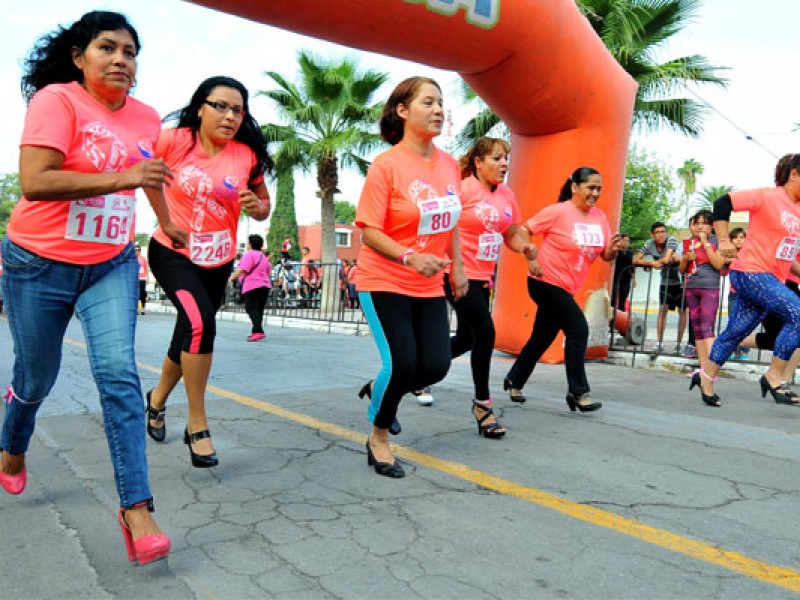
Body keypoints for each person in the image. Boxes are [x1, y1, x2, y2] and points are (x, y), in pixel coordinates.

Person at [0, 10, 182, 564]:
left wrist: (167, 220)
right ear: (79, 57)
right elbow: (35, 181)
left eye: (131, 51)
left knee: (119, 374)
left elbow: (147, 173)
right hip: (38, 262)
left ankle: (136, 508)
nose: (122, 59)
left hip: (110, 262)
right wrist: (123, 177)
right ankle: (12, 442)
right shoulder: (56, 101)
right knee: (37, 375)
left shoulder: (148, 117)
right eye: (108, 48)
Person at [145, 76, 273, 466]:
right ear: (201, 106)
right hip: (173, 251)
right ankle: (197, 424)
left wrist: (257, 206)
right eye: (220, 106)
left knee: (188, 332)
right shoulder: (174, 140)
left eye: (238, 110)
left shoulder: (245, 155)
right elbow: (147, 176)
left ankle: (156, 400)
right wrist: (165, 220)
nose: (229, 116)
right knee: (201, 326)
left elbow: (264, 205)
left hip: (217, 261)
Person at [355, 76, 468, 478]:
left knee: (435, 366)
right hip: (383, 278)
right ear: (402, 111)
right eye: (428, 102)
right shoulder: (387, 165)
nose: (439, 110)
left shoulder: (450, 164)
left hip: (428, 283)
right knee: (401, 363)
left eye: (441, 103)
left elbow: (450, 220)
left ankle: (377, 388)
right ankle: (379, 436)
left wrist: (457, 265)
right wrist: (408, 256)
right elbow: (368, 230)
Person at [504, 167, 624, 412]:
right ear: (574, 187)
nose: (595, 193)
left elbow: (605, 254)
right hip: (544, 281)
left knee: (542, 338)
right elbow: (524, 230)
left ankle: (514, 380)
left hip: (566, 287)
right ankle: (578, 392)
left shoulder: (599, 217)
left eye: (599, 189)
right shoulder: (558, 211)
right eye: (590, 187)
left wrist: (614, 247)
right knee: (578, 328)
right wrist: (531, 258)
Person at [444, 137, 537, 437]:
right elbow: (445, 227)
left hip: (482, 277)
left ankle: (415, 371)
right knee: (486, 332)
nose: (504, 164)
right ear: (478, 162)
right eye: (496, 158)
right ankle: (482, 405)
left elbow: (510, 232)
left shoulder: (507, 195)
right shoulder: (462, 188)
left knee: (467, 340)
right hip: (457, 273)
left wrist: (524, 248)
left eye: (506, 158)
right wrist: (453, 267)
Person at [696, 154, 800, 407]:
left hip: (771, 279)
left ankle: (705, 378)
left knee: (736, 331)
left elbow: (785, 255)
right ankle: (774, 377)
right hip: (750, 272)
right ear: (794, 174)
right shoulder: (767, 196)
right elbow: (722, 203)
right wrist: (723, 239)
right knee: (798, 313)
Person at [679, 210, 725, 391]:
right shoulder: (689, 243)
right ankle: (703, 368)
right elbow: (682, 269)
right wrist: (685, 258)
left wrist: (705, 243)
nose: (700, 226)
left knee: (707, 328)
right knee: (697, 330)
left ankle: (712, 370)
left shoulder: (718, 241)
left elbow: (718, 264)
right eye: (697, 223)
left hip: (709, 288)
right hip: (691, 287)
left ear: (712, 226)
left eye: (704, 223)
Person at [633, 222, 687, 355]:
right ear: (652, 235)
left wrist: (653, 263)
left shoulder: (672, 241)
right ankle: (659, 343)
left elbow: (666, 259)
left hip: (681, 281)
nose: (661, 234)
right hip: (665, 281)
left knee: (683, 312)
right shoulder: (649, 244)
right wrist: (650, 263)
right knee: (662, 310)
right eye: (657, 232)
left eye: (663, 231)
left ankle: (679, 344)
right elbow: (635, 260)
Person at [229, 234, 271, 341]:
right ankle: (255, 331)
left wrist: (231, 278)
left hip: (252, 285)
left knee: (250, 307)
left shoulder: (249, 254)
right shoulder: (263, 257)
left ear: (250, 244)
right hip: (265, 285)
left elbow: (243, 269)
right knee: (258, 309)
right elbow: (268, 271)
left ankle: (258, 331)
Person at [610, 233, 634, 312]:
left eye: (628, 241)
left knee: (623, 298)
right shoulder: (616, 251)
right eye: (624, 240)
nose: (626, 242)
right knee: (613, 298)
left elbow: (632, 266)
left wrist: (634, 278)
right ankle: (612, 318)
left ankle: (621, 316)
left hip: (626, 278)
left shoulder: (630, 253)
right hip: (616, 277)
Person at [135, 243, 149, 315]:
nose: (137, 251)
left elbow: (146, 269)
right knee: (136, 293)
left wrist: (147, 278)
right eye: (135, 250)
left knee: (142, 293)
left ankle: (143, 308)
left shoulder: (143, 259)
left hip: (142, 278)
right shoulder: (132, 259)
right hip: (135, 278)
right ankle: (136, 308)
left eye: (138, 250)